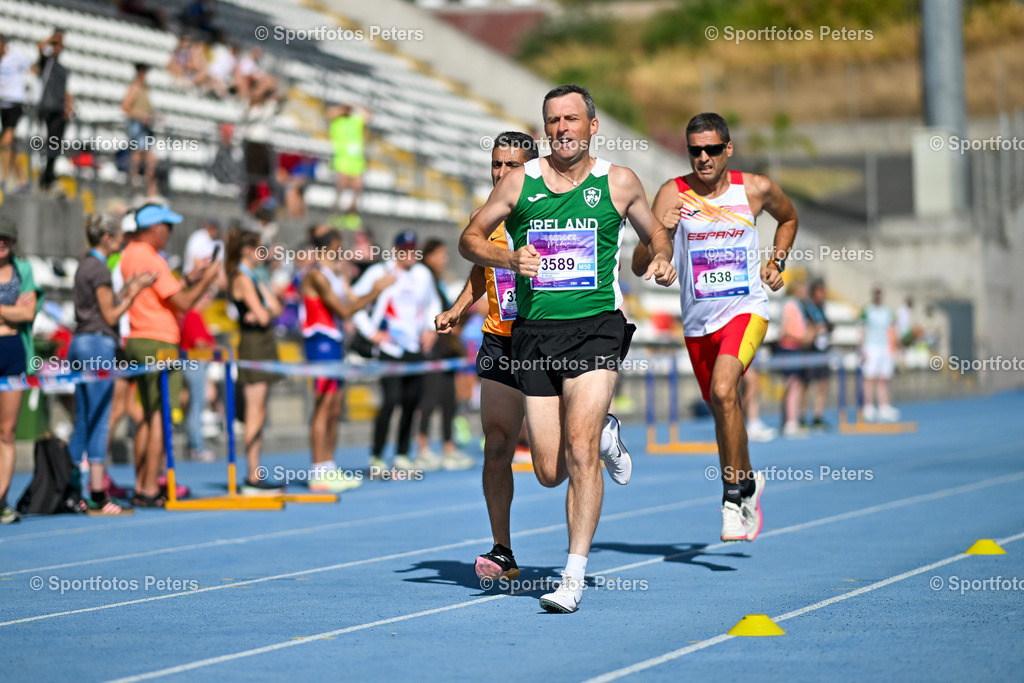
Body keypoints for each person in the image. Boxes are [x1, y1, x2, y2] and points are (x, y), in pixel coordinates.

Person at [461, 85, 676, 613]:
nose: (562, 128)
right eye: (553, 120)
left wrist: (661, 258)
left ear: (592, 126)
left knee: (579, 451)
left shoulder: (618, 182)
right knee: (548, 470)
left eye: (572, 119)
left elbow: (655, 233)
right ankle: (605, 428)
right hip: (534, 335)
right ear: (544, 129)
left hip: (596, 328)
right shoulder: (519, 183)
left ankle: (573, 574)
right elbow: (469, 239)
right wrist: (509, 260)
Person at [439, 129, 630, 585]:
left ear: (528, 168)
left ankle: (599, 430)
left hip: (547, 337)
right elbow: (479, 265)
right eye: (495, 164)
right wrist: (459, 307)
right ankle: (502, 549)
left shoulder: (541, 203)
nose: (501, 172)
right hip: (501, 340)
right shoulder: (483, 217)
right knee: (498, 441)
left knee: (555, 461)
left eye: (510, 165)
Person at [633, 111, 796, 544]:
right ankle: (747, 483)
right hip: (698, 322)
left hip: (747, 309)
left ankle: (730, 497)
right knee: (724, 408)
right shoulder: (673, 192)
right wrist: (661, 245)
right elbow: (638, 261)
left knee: (726, 391)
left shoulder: (756, 189)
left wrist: (777, 262)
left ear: (728, 149)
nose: (702, 158)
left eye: (710, 149)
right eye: (694, 150)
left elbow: (789, 219)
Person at [120, 204, 220, 507]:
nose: (170, 234)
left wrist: (191, 276)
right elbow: (185, 303)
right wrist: (209, 277)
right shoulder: (151, 258)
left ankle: (143, 483)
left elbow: (167, 294)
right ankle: (150, 487)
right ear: (156, 229)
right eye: (168, 227)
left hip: (140, 337)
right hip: (158, 341)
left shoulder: (131, 253)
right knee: (160, 417)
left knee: (149, 417)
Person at [68, 214, 155, 514]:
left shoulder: (85, 265)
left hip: (80, 342)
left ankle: (70, 487)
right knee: (100, 419)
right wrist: (136, 291)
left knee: (84, 418)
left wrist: (128, 286)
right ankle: (96, 492)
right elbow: (111, 316)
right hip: (97, 344)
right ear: (106, 238)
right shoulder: (100, 268)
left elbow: (99, 306)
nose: (121, 240)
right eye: (117, 235)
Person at [302, 228, 393, 490]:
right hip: (320, 342)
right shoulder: (317, 275)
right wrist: (374, 291)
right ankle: (318, 469)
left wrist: (374, 291)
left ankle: (328, 466)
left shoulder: (332, 275)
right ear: (333, 245)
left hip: (333, 342)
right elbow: (343, 310)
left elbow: (352, 301)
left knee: (334, 406)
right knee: (322, 405)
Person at [352, 231, 441, 475]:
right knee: (390, 400)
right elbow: (353, 302)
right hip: (389, 349)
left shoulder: (423, 274)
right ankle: (377, 455)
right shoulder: (379, 272)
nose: (410, 254)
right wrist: (371, 333)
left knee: (412, 403)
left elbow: (434, 303)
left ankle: (402, 454)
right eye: (405, 249)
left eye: (413, 249)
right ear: (396, 250)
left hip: (414, 349)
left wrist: (430, 330)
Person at [227, 228, 285, 493]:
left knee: (260, 410)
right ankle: (252, 474)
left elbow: (276, 308)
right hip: (253, 345)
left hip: (263, 343)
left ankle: (256, 471)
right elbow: (263, 314)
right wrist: (263, 312)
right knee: (254, 410)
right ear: (248, 250)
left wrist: (265, 311)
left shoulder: (254, 276)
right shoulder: (242, 277)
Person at [415, 239, 473, 471]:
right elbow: (419, 308)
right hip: (432, 349)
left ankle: (448, 447)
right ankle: (422, 447)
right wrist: (429, 329)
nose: (444, 259)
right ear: (428, 256)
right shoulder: (422, 277)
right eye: (439, 254)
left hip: (446, 348)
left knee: (449, 399)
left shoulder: (438, 280)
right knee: (430, 398)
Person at [0, 216, 42, 524]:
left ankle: (1, 499)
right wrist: (11, 311)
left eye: (7, 238)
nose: (1, 242)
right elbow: (20, 310)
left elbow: (28, 313)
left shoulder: (24, 270)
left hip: (14, 353)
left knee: (7, 431)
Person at [179, 287, 217, 463]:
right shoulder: (193, 316)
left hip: (195, 365)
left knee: (194, 406)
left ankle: (194, 445)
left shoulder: (196, 315)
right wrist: (217, 350)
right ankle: (196, 446)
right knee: (196, 406)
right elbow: (200, 343)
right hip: (194, 364)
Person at [33, 29, 73, 193]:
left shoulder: (62, 69)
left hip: (58, 109)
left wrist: (68, 104)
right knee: (49, 143)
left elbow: (65, 90)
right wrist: (51, 39)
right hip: (47, 108)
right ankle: (45, 178)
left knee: (55, 144)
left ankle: (48, 176)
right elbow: (40, 48)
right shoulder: (47, 64)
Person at [776, 279, 814, 438]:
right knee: (793, 384)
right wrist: (803, 337)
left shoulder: (798, 305)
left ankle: (790, 419)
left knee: (794, 384)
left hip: (795, 347)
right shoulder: (790, 305)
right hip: (789, 348)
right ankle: (791, 422)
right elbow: (784, 330)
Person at [860, 286, 900, 422]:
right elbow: (862, 330)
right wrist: (862, 349)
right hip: (871, 347)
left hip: (884, 347)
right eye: (875, 295)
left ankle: (883, 406)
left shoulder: (887, 311)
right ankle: (868, 406)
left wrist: (894, 348)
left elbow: (892, 330)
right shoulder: (867, 310)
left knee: (883, 378)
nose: (878, 297)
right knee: (870, 377)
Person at [0, 34, 31, 193]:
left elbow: (33, 69)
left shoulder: (16, 56)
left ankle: (3, 179)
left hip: (15, 103)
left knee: (6, 140)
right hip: (3, 104)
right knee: (10, 145)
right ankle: (22, 181)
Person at [121, 63, 157, 196]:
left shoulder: (144, 88)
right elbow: (125, 107)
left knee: (149, 158)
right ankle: (135, 184)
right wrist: (142, 117)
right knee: (137, 155)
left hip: (144, 127)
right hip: (138, 126)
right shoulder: (135, 87)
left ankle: (147, 188)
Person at [802, 278, 833, 431]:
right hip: (810, 351)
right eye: (819, 293)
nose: (821, 296)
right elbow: (807, 329)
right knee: (806, 385)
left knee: (823, 384)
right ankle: (801, 416)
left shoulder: (822, 308)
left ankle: (817, 415)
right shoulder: (807, 308)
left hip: (823, 350)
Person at [328, 104, 369, 214]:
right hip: (344, 158)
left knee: (357, 185)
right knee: (342, 183)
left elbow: (367, 115)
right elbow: (331, 112)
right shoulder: (337, 123)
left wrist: (354, 108)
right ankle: (336, 204)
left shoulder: (353, 122)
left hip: (356, 158)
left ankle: (353, 207)